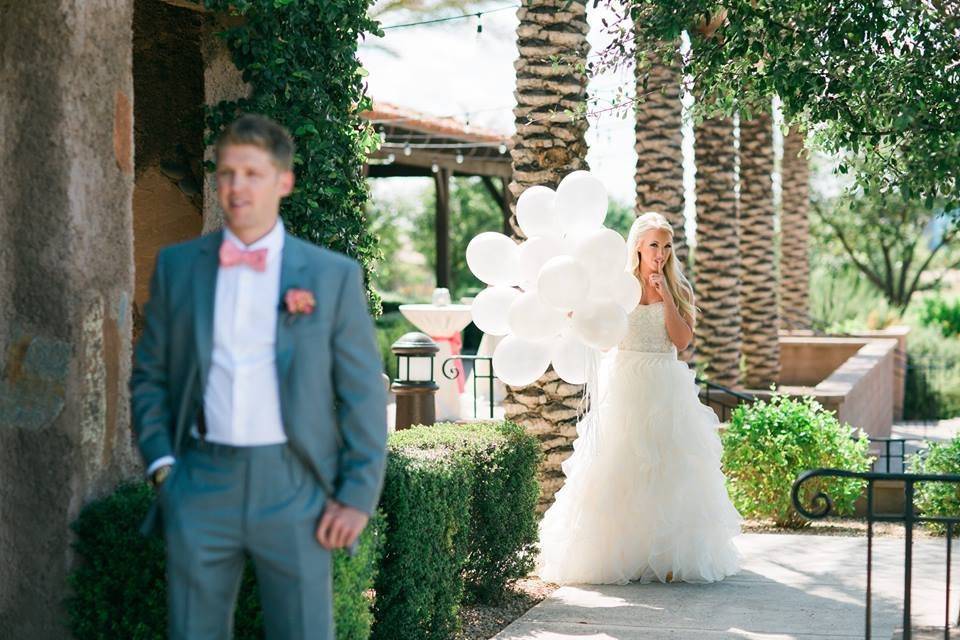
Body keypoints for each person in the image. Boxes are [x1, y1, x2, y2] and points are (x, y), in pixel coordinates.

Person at [131, 114, 387, 639]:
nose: (236, 186)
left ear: (283, 181)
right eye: (226, 173)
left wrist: (357, 495)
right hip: (201, 478)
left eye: (251, 172)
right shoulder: (178, 267)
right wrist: (163, 466)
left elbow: (361, 393)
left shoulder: (330, 276)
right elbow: (150, 375)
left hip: (294, 482)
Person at [536, 211, 741, 585]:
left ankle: (666, 557)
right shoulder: (618, 286)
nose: (660, 253)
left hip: (665, 382)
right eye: (653, 246)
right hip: (626, 382)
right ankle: (622, 556)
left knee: (669, 470)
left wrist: (665, 294)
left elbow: (681, 342)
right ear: (638, 248)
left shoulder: (679, 288)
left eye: (666, 246)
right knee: (621, 467)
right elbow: (604, 331)